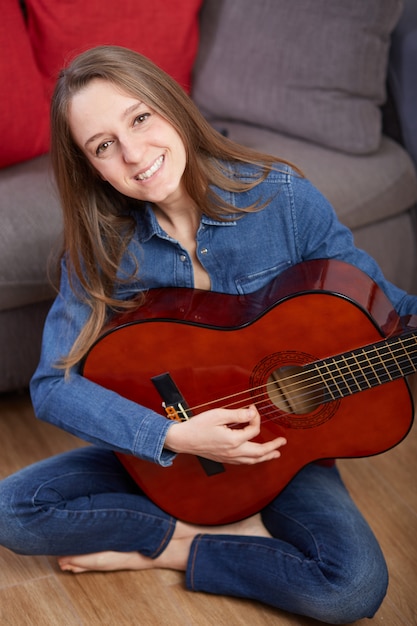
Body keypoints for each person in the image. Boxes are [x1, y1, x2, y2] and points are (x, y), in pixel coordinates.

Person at [0, 45, 416, 624]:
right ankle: (202, 532)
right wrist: (176, 438)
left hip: (279, 455)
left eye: (139, 118)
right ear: (90, 166)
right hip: (164, 447)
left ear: (171, 106)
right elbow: (52, 385)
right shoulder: (101, 251)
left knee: (352, 589)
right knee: (11, 511)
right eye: (103, 146)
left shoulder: (284, 200)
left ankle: (183, 545)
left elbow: (386, 309)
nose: (134, 153)